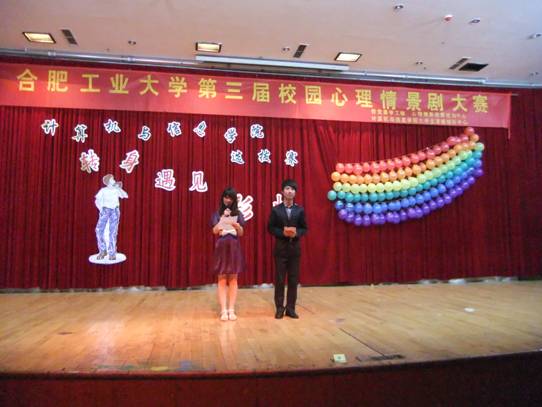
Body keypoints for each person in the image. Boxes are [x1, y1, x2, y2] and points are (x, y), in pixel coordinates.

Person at [268, 179, 308, 319]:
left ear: (295, 193)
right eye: (287, 189)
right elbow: (270, 228)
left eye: (292, 189)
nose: (290, 191)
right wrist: (282, 233)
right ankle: (279, 308)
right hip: (280, 249)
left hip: (294, 249)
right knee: (279, 280)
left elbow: (304, 228)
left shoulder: (300, 210)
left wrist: (297, 233)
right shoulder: (276, 209)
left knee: (293, 279)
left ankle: (291, 308)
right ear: (282, 191)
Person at [211, 187, 245, 321]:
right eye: (226, 197)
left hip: (234, 247)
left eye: (230, 197)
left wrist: (238, 227)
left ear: (234, 200)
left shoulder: (238, 214)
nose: (228, 200)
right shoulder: (217, 213)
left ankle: (231, 309)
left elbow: (241, 233)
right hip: (222, 246)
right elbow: (214, 231)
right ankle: (223, 310)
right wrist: (222, 220)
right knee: (221, 278)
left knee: (233, 278)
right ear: (222, 198)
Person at [95, 174, 128, 261]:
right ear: (108, 181)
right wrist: (101, 209)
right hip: (105, 210)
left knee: (112, 232)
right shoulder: (103, 190)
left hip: (114, 211)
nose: (114, 180)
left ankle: (112, 253)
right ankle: (102, 250)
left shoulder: (116, 190)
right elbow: (97, 199)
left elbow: (125, 195)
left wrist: (119, 188)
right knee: (99, 230)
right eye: (112, 179)